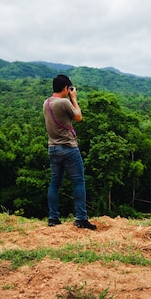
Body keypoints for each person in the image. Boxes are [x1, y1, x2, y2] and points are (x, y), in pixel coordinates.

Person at [43, 74, 96, 230]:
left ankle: (53, 217)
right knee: (78, 182)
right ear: (66, 88)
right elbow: (78, 117)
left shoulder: (46, 103)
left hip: (53, 148)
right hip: (68, 148)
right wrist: (74, 98)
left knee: (55, 183)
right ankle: (81, 218)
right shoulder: (64, 102)